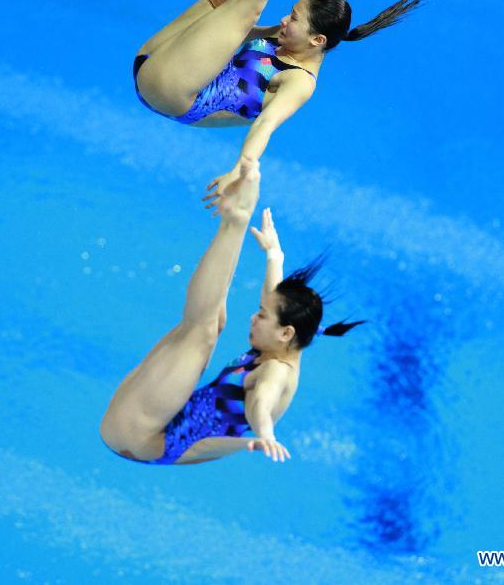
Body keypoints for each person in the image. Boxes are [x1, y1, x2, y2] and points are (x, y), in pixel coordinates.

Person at [131, 0, 422, 210]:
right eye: (291, 12)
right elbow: (223, 32)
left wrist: (240, 170)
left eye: (294, 19)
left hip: (171, 93)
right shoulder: (285, 40)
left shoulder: (300, 82)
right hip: (154, 59)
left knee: (246, 6)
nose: (284, 20)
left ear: (318, 40)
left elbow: (265, 127)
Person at [99, 158, 363, 465]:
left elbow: (261, 403)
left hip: (142, 438)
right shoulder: (287, 343)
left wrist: (265, 435)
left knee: (204, 329)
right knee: (212, 323)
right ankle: (234, 222)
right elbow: (273, 299)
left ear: (285, 332)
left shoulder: (276, 372)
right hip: (143, 428)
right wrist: (273, 257)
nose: (253, 316)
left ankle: (234, 220)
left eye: (262, 316)